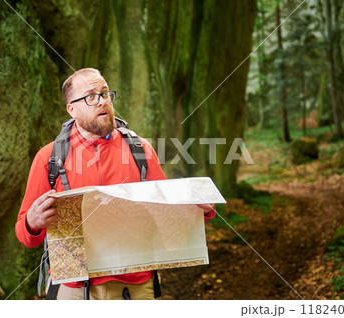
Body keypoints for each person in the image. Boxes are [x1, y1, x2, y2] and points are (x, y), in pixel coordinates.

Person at [15, 68, 215, 300]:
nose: (102, 101)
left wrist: (201, 208)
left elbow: (165, 213)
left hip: (136, 285)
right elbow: (24, 234)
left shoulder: (139, 150)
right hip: (73, 289)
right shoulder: (49, 157)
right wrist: (32, 222)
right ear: (72, 109)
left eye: (105, 93)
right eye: (90, 96)